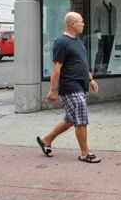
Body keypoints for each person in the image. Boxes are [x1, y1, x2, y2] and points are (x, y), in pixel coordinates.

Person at [37, 11, 101, 163]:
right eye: (81, 21)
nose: (83, 24)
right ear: (73, 24)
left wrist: (91, 79)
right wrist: (53, 91)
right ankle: (85, 154)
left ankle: (46, 140)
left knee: (71, 119)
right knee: (81, 120)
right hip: (70, 86)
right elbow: (56, 68)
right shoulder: (61, 42)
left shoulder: (78, 41)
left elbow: (82, 63)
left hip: (80, 85)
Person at [93, 0, 117, 75]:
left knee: (108, 52)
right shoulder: (99, 7)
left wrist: (115, 29)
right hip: (102, 33)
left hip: (111, 34)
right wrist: (97, 31)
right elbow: (96, 19)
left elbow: (114, 20)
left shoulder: (113, 8)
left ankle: (103, 70)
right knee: (100, 52)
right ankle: (96, 70)